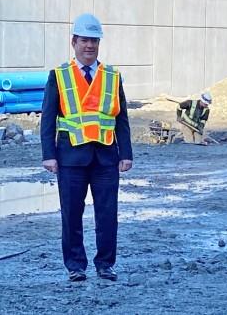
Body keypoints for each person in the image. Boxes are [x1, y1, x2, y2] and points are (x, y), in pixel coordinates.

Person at [41, 14, 134, 282]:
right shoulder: (59, 75)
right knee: (71, 214)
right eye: (84, 40)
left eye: (94, 40)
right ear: (74, 42)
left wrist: (126, 153)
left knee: (107, 213)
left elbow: (121, 118)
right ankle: (75, 266)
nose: (89, 46)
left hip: (106, 156)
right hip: (70, 157)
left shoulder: (112, 76)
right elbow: (48, 117)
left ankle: (105, 264)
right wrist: (48, 155)